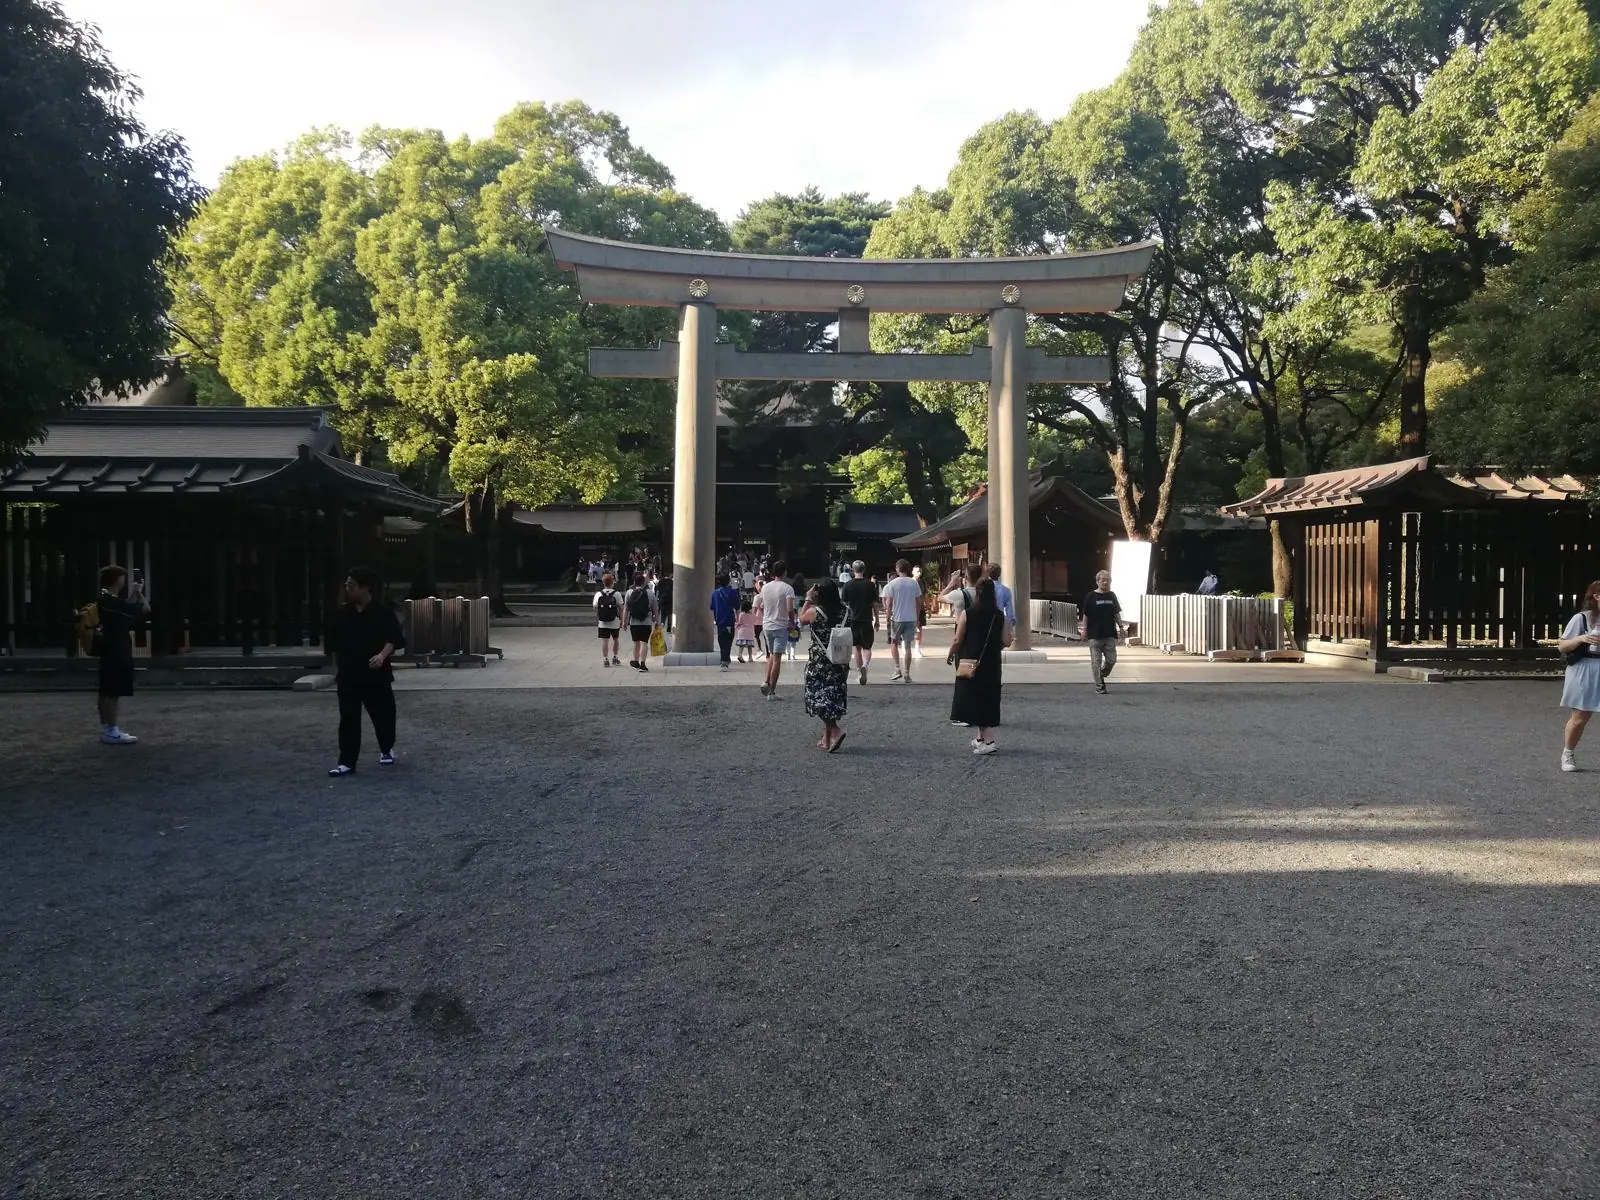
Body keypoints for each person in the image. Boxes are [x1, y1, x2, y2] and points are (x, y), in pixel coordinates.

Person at [327, 565, 405, 776]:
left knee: (383, 714)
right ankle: (347, 761)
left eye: (351, 585)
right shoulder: (343, 614)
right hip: (349, 674)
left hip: (375, 673)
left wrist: (381, 655)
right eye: (347, 585)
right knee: (348, 718)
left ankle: (386, 747)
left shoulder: (382, 613)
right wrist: (337, 670)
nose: (347, 588)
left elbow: (393, 639)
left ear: (365, 588)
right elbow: (333, 643)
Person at [950, 577, 1011, 755]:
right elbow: (1007, 641)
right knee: (989, 698)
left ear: (977, 594)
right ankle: (980, 737)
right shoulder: (1000, 616)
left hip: (971, 661)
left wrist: (951, 653)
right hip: (991, 662)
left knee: (973, 697)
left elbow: (957, 638)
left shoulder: (968, 613)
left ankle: (989, 741)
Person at [93, 565, 149, 745]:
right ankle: (112, 729)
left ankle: (106, 729)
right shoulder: (113, 603)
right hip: (117, 648)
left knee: (105, 690)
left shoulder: (104, 601)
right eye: (123, 578)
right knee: (113, 691)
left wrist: (133, 593)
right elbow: (144, 609)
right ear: (118, 580)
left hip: (107, 647)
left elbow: (126, 610)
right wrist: (139, 593)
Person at [799, 578, 848, 752]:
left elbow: (801, 620)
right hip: (840, 660)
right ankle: (826, 739)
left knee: (816, 698)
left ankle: (835, 730)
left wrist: (808, 598)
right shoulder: (846, 611)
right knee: (832, 698)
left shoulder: (815, 612)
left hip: (820, 661)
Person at [1558, 580, 1600, 771]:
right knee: (1580, 717)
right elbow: (1562, 645)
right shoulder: (1581, 619)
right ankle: (1568, 753)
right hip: (1585, 667)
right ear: (1597, 596)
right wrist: (1581, 638)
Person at [755, 559, 796, 699]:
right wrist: (792, 621)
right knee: (777, 658)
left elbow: (761, 605)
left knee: (771, 655)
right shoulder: (787, 588)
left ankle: (766, 681)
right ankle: (772, 691)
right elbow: (790, 608)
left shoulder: (765, 587)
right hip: (780, 625)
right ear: (784, 572)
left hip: (767, 624)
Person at [1081, 570, 1123, 695]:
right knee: (1096, 661)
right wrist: (1084, 630)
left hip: (1109, 633)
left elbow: (1116, 613)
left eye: (1108, 580)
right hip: (1094, 635)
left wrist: (1121, 627)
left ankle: (1101, 675)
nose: (1106, 582)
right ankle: (1099, 685)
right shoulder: (1090, 596)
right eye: (1103, 580)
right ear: (1097, 581)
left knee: (1112, 660)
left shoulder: (1112, 595)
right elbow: (1086, 615)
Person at [881, 559, 923, 682]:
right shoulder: (914, 583)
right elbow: (918, 602)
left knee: (894, 643)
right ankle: (907, 673)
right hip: (911, 618)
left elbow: (889, 603)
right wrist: (917, 617)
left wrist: (888, 617)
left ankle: (897, 668)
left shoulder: (893, 584)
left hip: (897, 618)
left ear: (898, 569)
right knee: (908, 645)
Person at [841, 559, 880, 685]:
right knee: (867, 646)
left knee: (856, 647)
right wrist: (877, 620)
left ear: (853, 570)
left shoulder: (848, 585)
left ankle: (859, 671)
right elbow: (875, 604)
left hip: (853, 620)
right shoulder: (870, 585)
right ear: (864, 570)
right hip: (866, 619)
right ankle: (866, 666)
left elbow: (844, 604)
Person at [624, 572, 659, 672]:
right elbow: (655, 609)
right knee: (644, 643)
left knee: (636, 643)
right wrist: (657, 621)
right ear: (644, 582)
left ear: (634, 582)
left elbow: (626, 609)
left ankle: (636, 662)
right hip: (646, 621)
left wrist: (624, 622)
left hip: (634, 621)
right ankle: (643, 664)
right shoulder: (650, 593)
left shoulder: (629, 593)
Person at [709, 572, 740, 672]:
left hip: (719, 620)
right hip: (729, 620)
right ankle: (724, 661)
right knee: (728, 642)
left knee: (722, 641)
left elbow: (712, 607)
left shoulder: (714, 593)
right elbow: (737, 607)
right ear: (728, 581)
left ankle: (725, 659)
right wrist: (738, 619)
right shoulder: (732, 592)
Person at [593, 572, 622, 667]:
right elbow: (621, 607)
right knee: (615, 639)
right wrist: (622, 619)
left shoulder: (598, 594)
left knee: (605, 641)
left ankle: (605, 659)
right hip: (614, 621)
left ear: (603, 583)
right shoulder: (616, 594)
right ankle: (615, 657)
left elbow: (595, 607)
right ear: (612, 582)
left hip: (602, 622)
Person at [986, 562, 1017, 630]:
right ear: (999, 574)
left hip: (985, 622)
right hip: (999, 623)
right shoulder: (1006, 590)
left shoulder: (982, 588)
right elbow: (1010, 613)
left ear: (987, 573)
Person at [734, 598, 759, 663]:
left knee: (741, 645)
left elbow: (739, 622)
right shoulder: (753, 615)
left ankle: (740, 655)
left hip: (742, 631)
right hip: (750, 631)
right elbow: (754, 621)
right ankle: (750, 657)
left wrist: (736, 626)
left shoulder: (741, 614)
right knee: (750, 646)